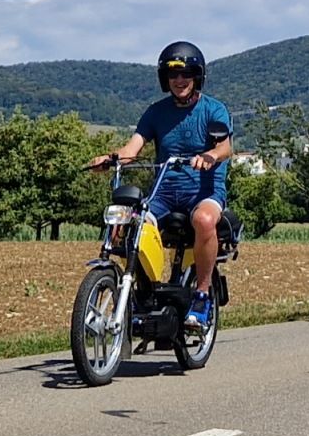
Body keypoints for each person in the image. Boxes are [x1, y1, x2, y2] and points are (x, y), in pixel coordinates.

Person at [87, 42, 237, 330]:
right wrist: (110, 159)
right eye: (173, 75)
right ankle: (142, 290)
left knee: (204, 220)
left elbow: (225, 147)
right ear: (164, 79)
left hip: (203, 191)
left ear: (197, 77)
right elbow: (132, 149)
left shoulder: (214, 109)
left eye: (186, 74)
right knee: (127, 223)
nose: (179, 80)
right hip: (163, 193)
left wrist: (209, 156)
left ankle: (202, 295)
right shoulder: (155, 112)